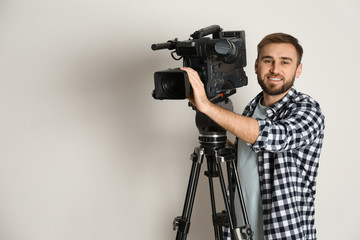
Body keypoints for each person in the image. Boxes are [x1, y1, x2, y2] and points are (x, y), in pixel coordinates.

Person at [181, 33, 325, 239]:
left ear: (298, 69)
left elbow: (274, 137)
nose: (275, 69)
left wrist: (207, 106)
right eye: (268, 61)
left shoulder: (308, 109)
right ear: (257, 66)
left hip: (282, 233)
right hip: (241, 230)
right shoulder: (251, 108)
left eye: (285, 62)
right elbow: (252, 156)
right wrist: (228, 147)